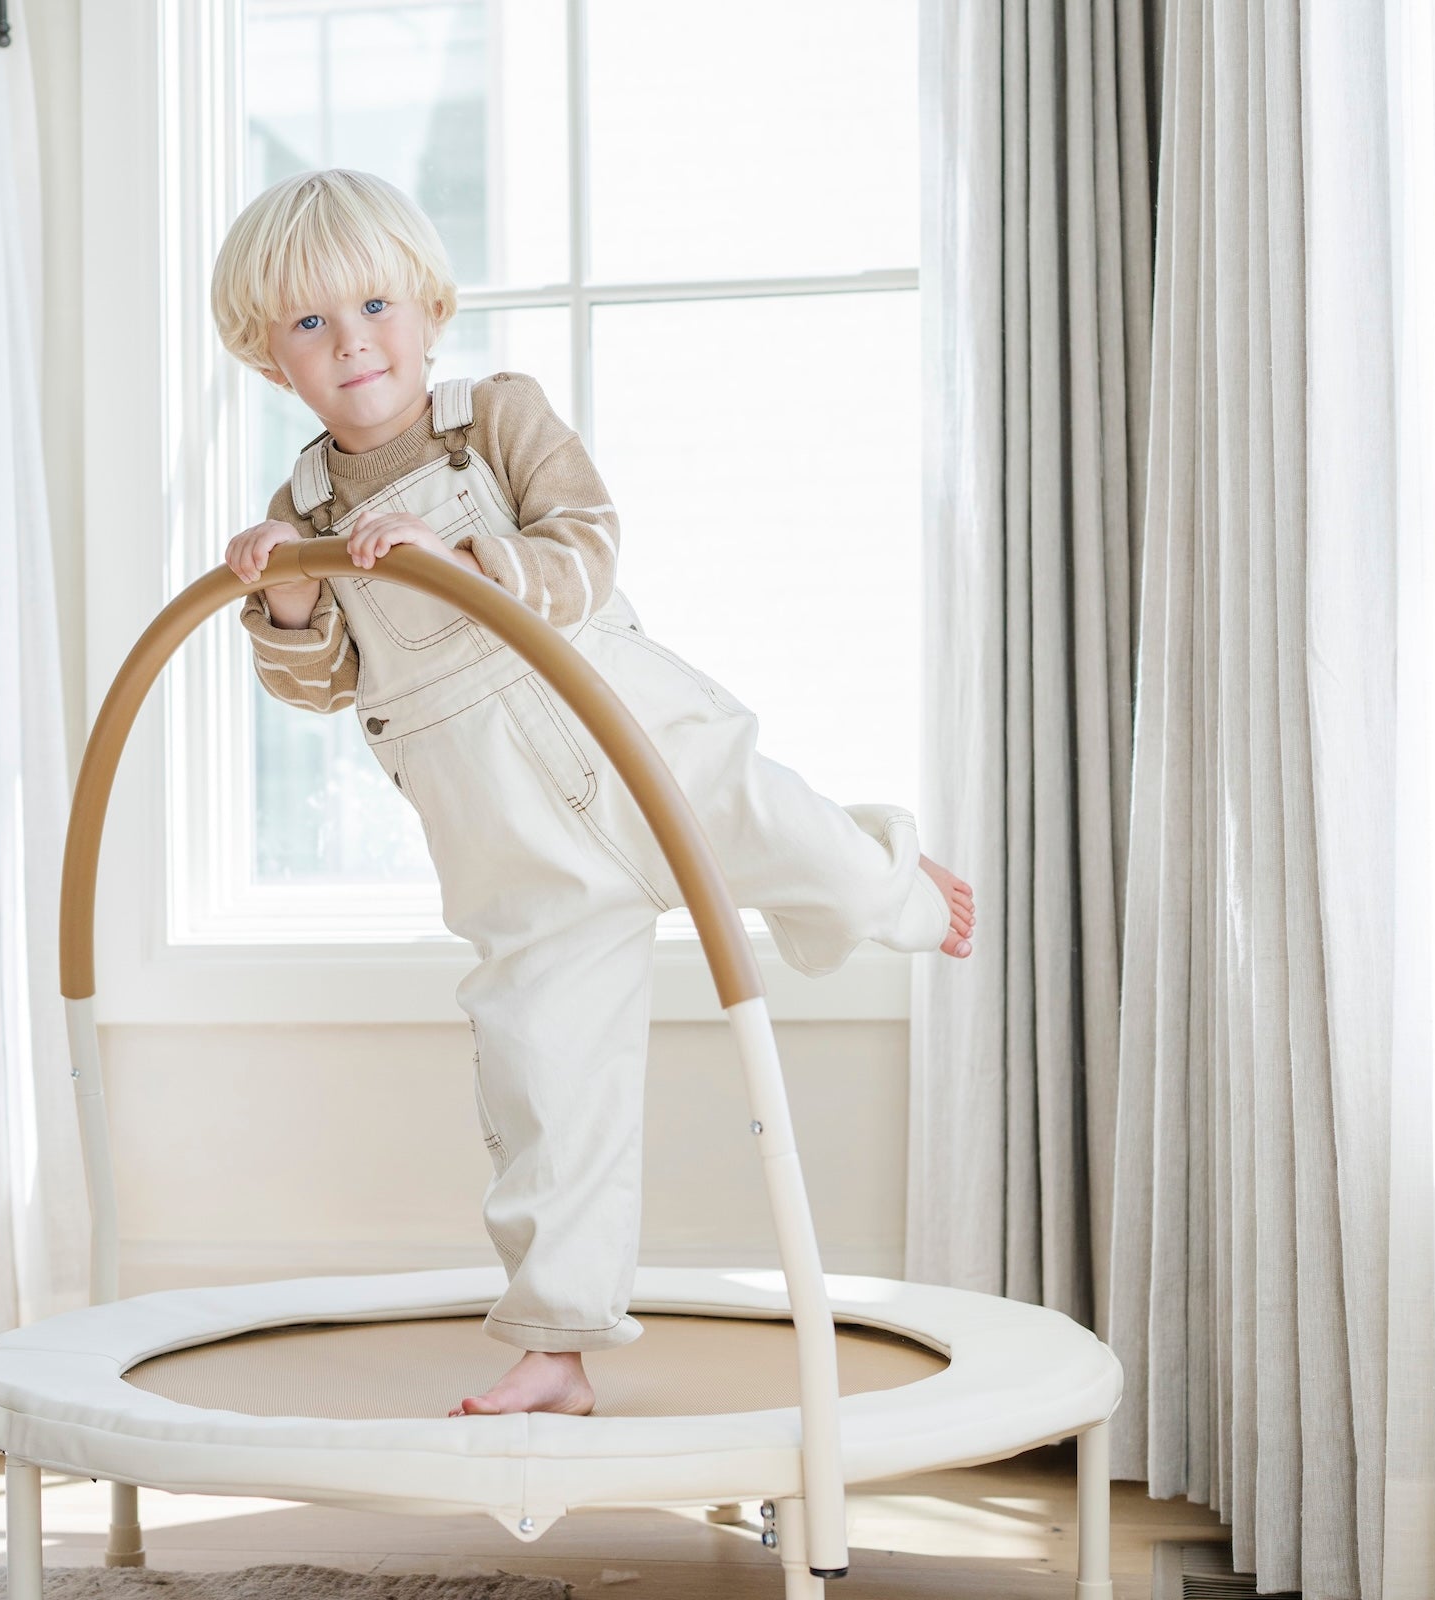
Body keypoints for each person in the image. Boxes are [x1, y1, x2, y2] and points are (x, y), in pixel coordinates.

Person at [209, 169, 975, 1421]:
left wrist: (471, 563)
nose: (350, 340)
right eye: (308, 324)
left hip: (627, 735)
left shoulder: (492, 418)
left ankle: (890, 883)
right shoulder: (299, 513)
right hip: (508, 838)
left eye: (372, 303)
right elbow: (322, 682)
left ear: (428, 306)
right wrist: (284, 594)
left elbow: (587, 538)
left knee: (793, 837)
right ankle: (556, 1346)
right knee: (545, 1083)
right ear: (267, 357)